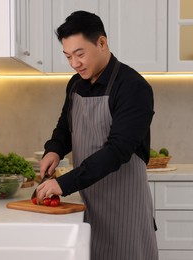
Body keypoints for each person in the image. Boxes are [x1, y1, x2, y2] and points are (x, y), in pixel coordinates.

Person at [36, 10, 158, 260]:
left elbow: (118, 151)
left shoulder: (133, 87)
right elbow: (65, 126)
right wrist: (54, 149)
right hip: (88, 202)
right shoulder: (75, 84)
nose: (74, 63)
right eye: (68, 56)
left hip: (124, 210)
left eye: (80, 54)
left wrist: (63, 183)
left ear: (102, 43)